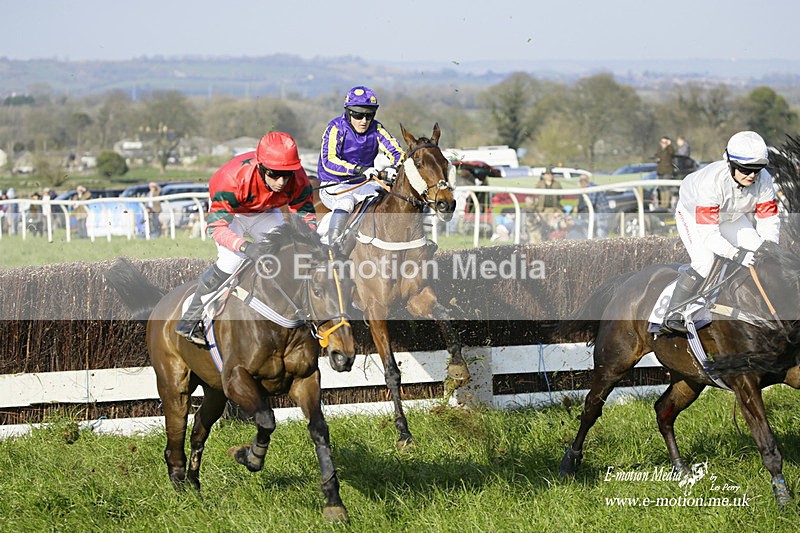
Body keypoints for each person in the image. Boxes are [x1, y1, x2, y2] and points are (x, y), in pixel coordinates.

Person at [175, 131, 317, 346]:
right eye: (274, 174)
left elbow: (305, 217)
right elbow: (215, 228)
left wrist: (310, 243)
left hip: (265, 211)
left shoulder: (297, 178)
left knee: (286, 255)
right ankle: (190, 317)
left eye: (286, 174)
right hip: (232, 214)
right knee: (232, 261)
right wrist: (245, 247)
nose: (281, 181)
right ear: (261, 166)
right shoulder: (231, 181)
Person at [662, 131, 780, 333]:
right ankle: (672, 313)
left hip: (731, 216)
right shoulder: (712, 182)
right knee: (705, 261)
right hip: (693, 214)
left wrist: (769, 246)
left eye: (757, 169)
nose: (752, 175)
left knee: (763, 254)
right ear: (730, 164)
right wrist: (736, 254)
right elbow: (709, 233)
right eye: (745, 169)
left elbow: (768, 218)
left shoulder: (765, 180)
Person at [317, 86, 405, 246]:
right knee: (346, 203)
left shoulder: (377, 128)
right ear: (348, 113)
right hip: (334, 184)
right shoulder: (336, 128)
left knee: (388, 201)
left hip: (363, 183)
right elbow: (328, 161)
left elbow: (396, 151)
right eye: (358, 115)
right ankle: (331, 247)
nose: (364, 121)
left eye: (369, 115)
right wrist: (358, 169)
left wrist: (396, 166)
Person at [533, 168, 564, 237]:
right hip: (543, 209)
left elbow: (561, 196)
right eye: (548, 174)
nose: (549, 175)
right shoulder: (540, 184)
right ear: (544, 175)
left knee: (561, 220)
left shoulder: (557, 184)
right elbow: (536, 194)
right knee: (543, 223)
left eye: (551, 174)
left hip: (555, 208)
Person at [654, 136, 675, 208]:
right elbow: (656, 155)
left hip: (667, 171)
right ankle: (663, 203)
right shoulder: (659, 148)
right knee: (661, 187)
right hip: (660, 170)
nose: (663, 144)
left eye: (664, 142)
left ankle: (667, 203)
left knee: (666, 187)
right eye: (662, 142)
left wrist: (668, 145)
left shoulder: (669, 148)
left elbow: (672, 153)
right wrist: (656, 159)